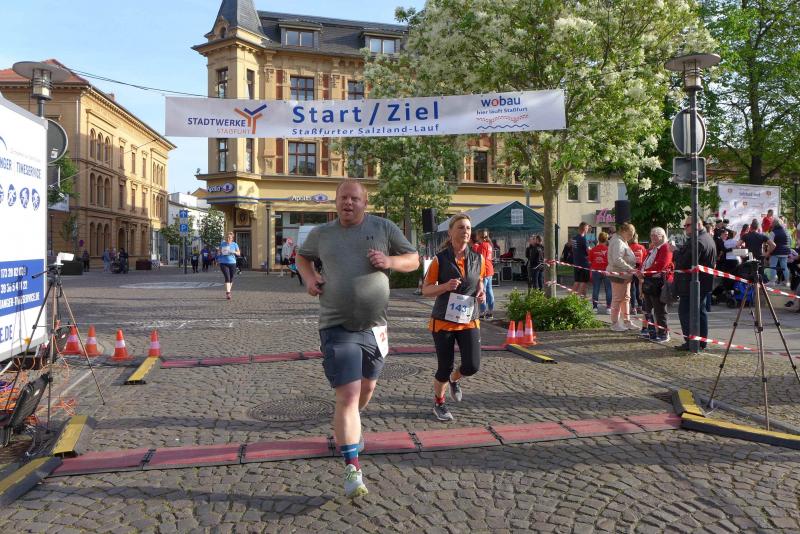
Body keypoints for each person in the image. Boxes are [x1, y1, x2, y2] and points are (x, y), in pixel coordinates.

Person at [295, 179, 419, 499]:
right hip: (336, 325)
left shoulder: (384, 227)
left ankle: (349, 421)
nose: (348, 203)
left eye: (354, 198)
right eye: (343, 198)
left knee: (367, 389)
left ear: (365, 202)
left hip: (375, 327)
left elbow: (414, 259)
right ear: (336, 201)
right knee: (348, 396)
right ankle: (352, 467)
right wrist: (310, 277)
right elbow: (302, 257)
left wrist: (390, 262)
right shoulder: (321, 234)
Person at [422, 213, 486, 422]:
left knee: (472, 366)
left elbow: (479, 280)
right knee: (444, 366)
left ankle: (454, 379)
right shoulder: (440, 260)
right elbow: (425, 290)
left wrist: (481, 291)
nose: (465, 231)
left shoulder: (478, 258)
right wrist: (445, 286)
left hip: (469, 319)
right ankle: (439, 403)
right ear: (450, 232)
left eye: (468, 228)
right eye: (460, 227)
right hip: (444, 322)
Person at [673, 218, 717, 352]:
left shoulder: (698, 241)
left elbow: (684, 262)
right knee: (701, 312)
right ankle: (701, 342)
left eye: (687, 225)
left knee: (685, 312)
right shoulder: (707, 238)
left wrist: (674, 251)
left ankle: (691, 342)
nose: (685, 228)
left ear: (697, 225)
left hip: (692, 284)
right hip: (702, 282)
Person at [637, 227, 673, 342]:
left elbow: (661, 265)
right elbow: (645, 261)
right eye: (651, 235)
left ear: (662, 236)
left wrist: (644, 272)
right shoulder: (654, 248)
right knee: (648, 308)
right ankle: (651, 331)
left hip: (658, 282)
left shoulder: (666, 247)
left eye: (655, 235)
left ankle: (664, 334)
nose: (652, 237)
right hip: (649, 280)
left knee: (659, 309)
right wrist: (641, 271)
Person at [607, 223, 637, 331]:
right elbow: (617, 259)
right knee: (618, 299)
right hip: (619, 274)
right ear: (623, 231)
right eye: (630, 234)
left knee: (626, 298)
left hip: (625, 275)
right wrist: (630, 268)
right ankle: (615, 323)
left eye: (632, 234)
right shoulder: (618, 241)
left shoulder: (622, 240)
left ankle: (626, 321)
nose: (631, 237)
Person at [472, 230, 495, 319]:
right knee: (489, 291)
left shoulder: (482, 245)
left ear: (479, 236)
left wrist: (475, 247)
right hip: (489, 269)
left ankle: (482, 312)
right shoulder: (489, 245)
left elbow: (479, 258)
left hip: (484, 271)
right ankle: (490, 311)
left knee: (483, 291)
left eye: (477, 235)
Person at [588, 231, 611, 314]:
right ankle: (608, 308)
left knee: (595, 289)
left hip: (596, 271)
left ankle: (595, 307)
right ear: (606, 239)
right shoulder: (609, 250)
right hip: (606, 271)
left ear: (598, 239)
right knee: (608, 289)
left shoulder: (593, 249)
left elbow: (590, 261)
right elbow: (611, 261)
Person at [765, 219, 791, 287]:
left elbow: (771, 244)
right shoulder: (787, 232)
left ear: (774, 224)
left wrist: (768, 252)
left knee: (773, 266)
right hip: (785, 251)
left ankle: (772, 281)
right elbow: (790, 242)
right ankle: (787, 282)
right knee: (784, 267)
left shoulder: (773, 232)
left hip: (775, 251)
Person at [218, 232, 241, 300]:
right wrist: (220, 252)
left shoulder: (235, 244)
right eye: (227, 237)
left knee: (231, 278)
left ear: (232, 238)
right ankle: (228, 293)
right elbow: (218, 252)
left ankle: (229, 291)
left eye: (229, 238)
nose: (228, 239)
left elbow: (239, 253)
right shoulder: (222, 244)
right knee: (227, 277)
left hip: (232, 263)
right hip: (223, 263)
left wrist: (234, 252)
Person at [571, 222, 591, 298]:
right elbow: (588, 251)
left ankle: (573, 298)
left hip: (576, 262)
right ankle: (578, 299)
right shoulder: (583, 239)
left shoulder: (574, 238)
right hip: (584, 263)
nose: (588, 230)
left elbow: (574, 250)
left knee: (577, 281)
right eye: (587, 228)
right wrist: (591, 249)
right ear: (584, 229)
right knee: (584, 282)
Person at [629, 234, 647, 314]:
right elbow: (645, 259)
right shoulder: (642, 247)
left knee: (632, 289)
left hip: (630, 270)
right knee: (639, 289)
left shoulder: (628, 247)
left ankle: (633, 308)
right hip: (639, 270)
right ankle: (640, 306)